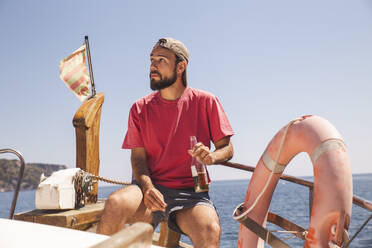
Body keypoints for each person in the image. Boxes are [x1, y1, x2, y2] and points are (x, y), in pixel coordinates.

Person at [97, 38, 234, 248]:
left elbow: (228, 148)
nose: (153, 65)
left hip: (191, 193)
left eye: (161, 60)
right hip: (148, 189)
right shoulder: (139, 108)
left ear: (181, 67)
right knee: (115, 203)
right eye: (152, 59)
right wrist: (149, 187)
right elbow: (138, 158)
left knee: (210, 229)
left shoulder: (206, 101)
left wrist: (212, 156)